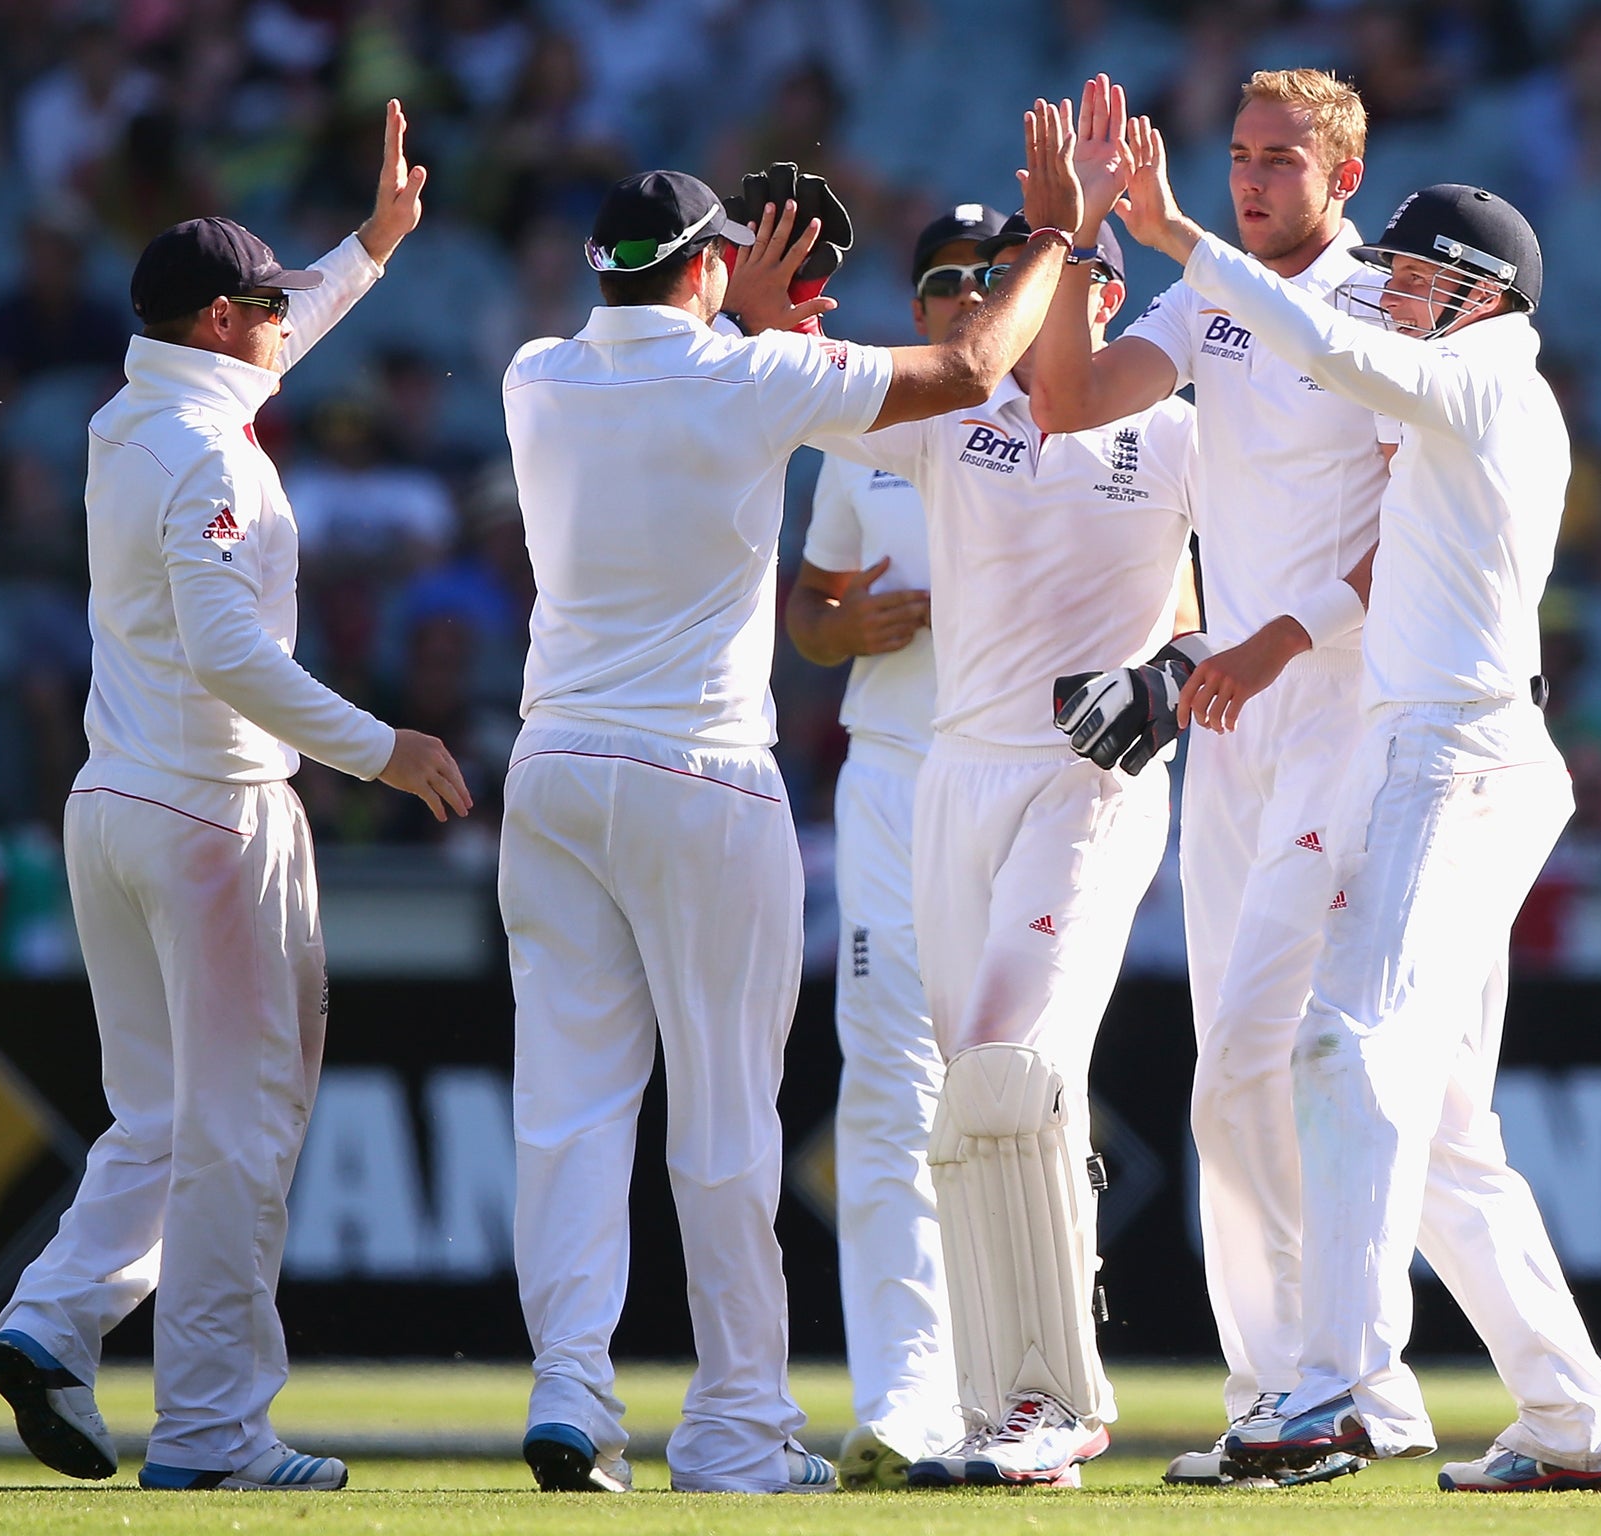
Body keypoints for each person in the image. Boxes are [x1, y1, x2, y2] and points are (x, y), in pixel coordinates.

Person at [497, 122, 1083, 1497]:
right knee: (723, 1119)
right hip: (700, 775)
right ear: (710, 270)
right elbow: (972, 368)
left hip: (554, 768)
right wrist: (1051, 234)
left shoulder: (539, 375)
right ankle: (737, 1427)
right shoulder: (759, 378)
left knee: (570, 1110)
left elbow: (680, 361)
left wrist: (735, 308)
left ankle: (572, 1399)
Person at [1102, 104, 1601, 1492]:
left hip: (1452, 758)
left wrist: (1179, 237)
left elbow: (1324, 343)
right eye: (1393, 271)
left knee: (1343, 1050)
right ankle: (1579, 1424)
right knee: (1451, 1133)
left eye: (1415, 275)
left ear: (1481, 293)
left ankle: (1332, 1391)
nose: (1393, 291)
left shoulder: (1483, 373)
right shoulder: (1461, 381)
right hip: (1453, 751)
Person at [0, 103, 470, 1493]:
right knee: (244, 1125)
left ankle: (51, 1318)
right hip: (212, 813)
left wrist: (369, 248)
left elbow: (277, 332)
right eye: (259, 304)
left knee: (160, 1117)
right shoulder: (205, 453)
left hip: (114, 805)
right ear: (210, 322)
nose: (279, 318)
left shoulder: (133, 414)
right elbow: (227, 652)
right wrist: (384, 749)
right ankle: (207, 1431)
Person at [1031, 70, 1392, 1487]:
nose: (1254, 181)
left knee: (1269, 1052)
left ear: (1343, 178)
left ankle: (1321, 1385)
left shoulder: (1381, 311)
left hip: (1345, 718)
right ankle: (1309, 1387)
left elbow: (1410, 531)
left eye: (1282, 161)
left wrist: (1271, 638)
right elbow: (1065, 401)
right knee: (1231, 1070)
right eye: (1241, 158)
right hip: (1236, 732)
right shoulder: (1213, 301)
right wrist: (1072, 242)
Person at [815, 184, 1199, 1486]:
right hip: (950, 783)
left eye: (1094, 273)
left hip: (1085, 783)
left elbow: (1255, 596)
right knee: (969, 1102)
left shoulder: (1174, 435)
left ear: (1114, 294)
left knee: (1004, 1054)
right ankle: (999, 1406)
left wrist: (1169, 676)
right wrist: (755, 307)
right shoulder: (954, 421)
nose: (1059, 304)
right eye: (1050, 274)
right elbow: (788, 394)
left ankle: (1055, 1402)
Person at [783, 201, 1006, 1489]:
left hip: (1024, 786)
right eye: (944, 279)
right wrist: (839, 634)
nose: (969, 294)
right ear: (916, 305)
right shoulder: (863, 435)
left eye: (992, 273)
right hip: (891, 779)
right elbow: (813, 605)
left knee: (1020, 1086)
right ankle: (910, 1398)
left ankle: (1024, 1387)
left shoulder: (1080, 421)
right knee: (885, 1087)